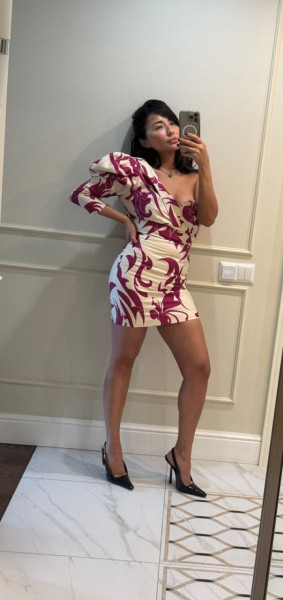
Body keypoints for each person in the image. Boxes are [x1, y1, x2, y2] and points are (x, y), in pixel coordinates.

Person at [70, 99, 218, 497]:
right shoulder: (135, 171)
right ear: (144, 140)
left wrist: (205, 165)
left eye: (172, 123)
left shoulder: (194, 176)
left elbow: (207, 218)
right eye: (158, 126)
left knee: (199, 368)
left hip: (174, 285)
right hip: (135, 276)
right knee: (123, 361)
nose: (170, 130)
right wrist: (123, 218)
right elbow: (82, 194)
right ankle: (113, 449)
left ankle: (181, 456)